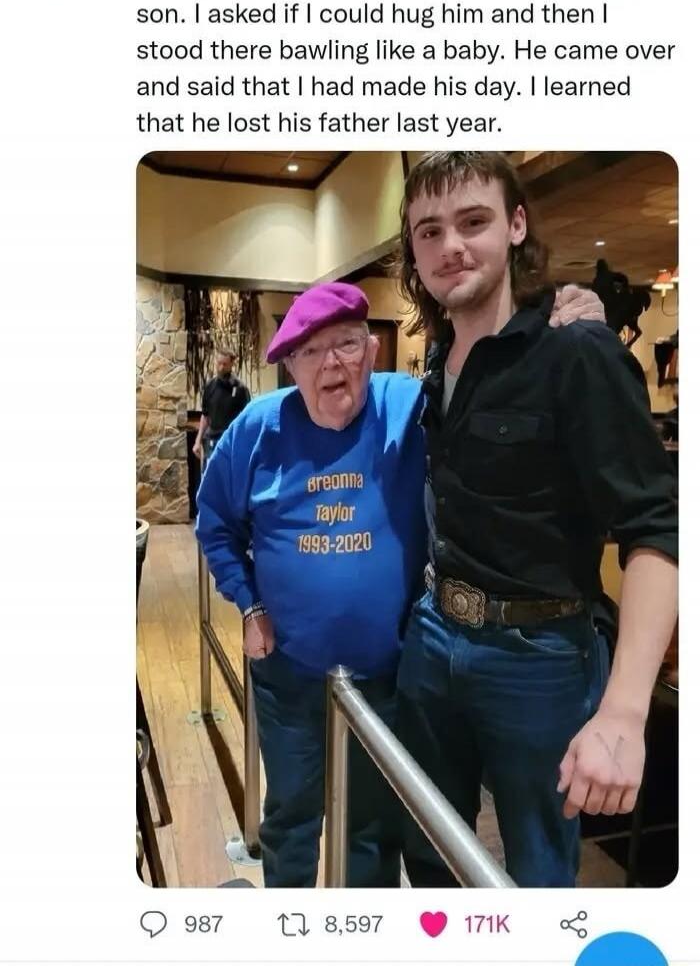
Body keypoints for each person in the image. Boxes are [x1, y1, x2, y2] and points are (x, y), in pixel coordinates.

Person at [195, 279, 602, 888]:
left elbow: (486, 380)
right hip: (288, 674)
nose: (332, 363)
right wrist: (249, 604)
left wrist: (557, 323)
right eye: (312, 351)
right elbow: (214, 524)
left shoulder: (411, 407)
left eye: (347, 345)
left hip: (386, 676)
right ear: (288, 366)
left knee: (372, 826)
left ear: (373, 352)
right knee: (291, 816)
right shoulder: (256, 429)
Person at [394, 151, 678, 887]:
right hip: (432, 638)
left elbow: (659, 527)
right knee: (429, 847)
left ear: (517, 225)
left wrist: (623, 712)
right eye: (429, 231)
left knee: (539, 878)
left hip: (540, 659)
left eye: (474, 221)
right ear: (413, 252)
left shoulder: (575, 351)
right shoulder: (438, 358)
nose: (451, 244)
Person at [192, 349, 250, 461]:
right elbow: (205, 415)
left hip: (232, 441)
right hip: (212, 440)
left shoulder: (240, 389)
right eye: (219, 363)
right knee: (211, 475)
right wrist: (198, 441)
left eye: (225, 364)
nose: (221, 367)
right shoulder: (210, 386)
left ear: (231, 364)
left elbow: (247, 419)